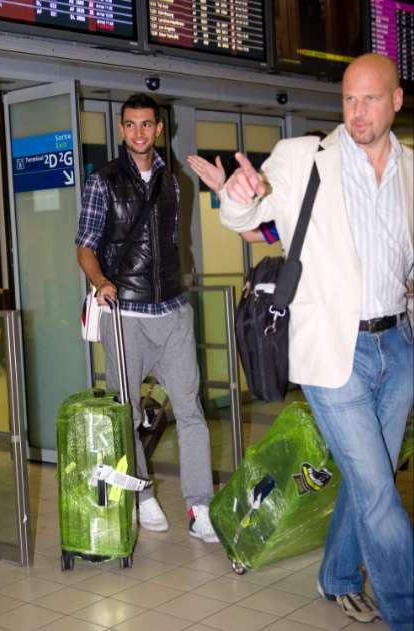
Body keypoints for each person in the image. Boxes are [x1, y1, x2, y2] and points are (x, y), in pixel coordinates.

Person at [218, 53, 413, 630]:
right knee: (380, 491)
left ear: (397, 101)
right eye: (349, 99)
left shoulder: (410, 170)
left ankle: (337, 576)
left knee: (368, 474)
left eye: (370, 98)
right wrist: (238, 193)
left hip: (397, 346)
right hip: (335, 353)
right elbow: (247, 212)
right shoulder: (305, 157)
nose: (356, 111)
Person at [76, 93, 218, 542]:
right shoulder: (103, 181)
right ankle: (142, 496)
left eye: (146, 125)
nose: (139, 132)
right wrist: (101, 280)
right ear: (121, 130)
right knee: (126, 412)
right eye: (131, 125)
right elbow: (85, 245)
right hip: (127, 314)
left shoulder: (174, 182)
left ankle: (200, 507)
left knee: (190, 410)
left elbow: (172, 243)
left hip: (173, 310)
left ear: (159, 129)